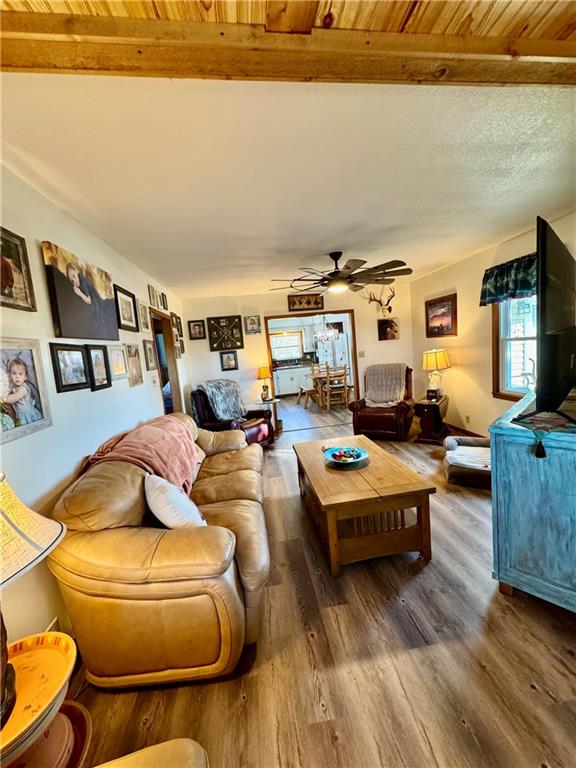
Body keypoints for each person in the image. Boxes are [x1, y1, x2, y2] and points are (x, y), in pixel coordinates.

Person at [1, 358, 42, 424]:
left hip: (28, 416)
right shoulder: (14, 387)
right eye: (14, 373)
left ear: (25, 377)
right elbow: (7, 391)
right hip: (20, 416)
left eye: (20, 374)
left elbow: (14, 398)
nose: (17, 376)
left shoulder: (24, 389)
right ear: (10, 375)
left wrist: (2, 398)